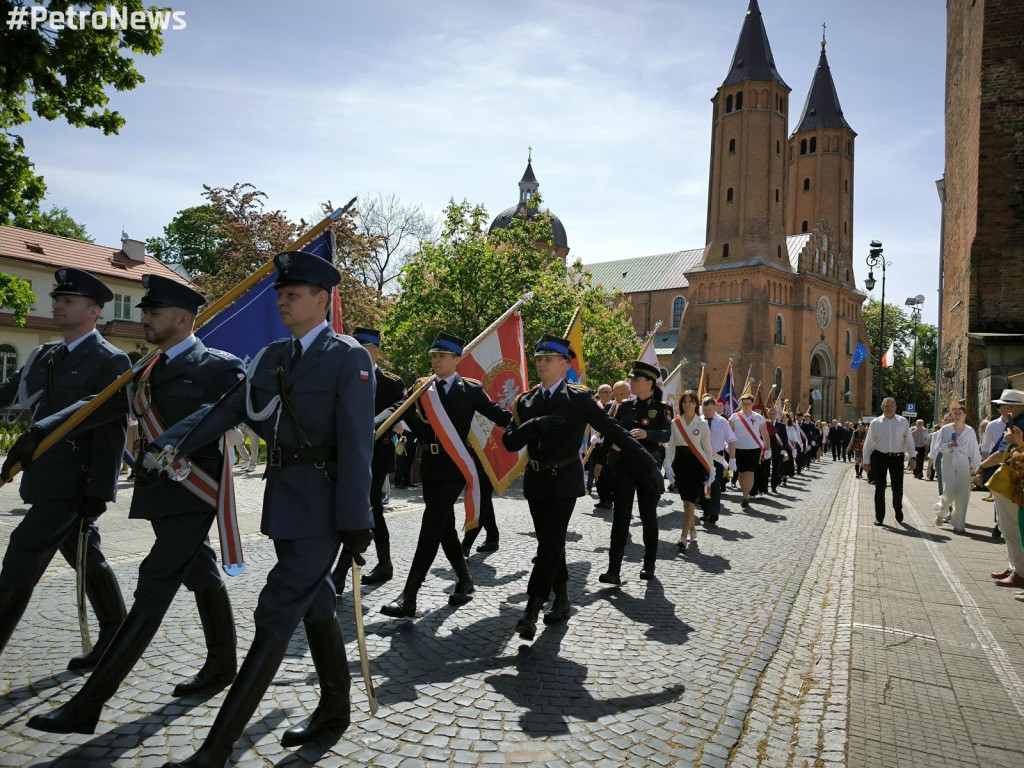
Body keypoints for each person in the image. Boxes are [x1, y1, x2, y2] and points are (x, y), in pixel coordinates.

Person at [139, 250, 375, 767]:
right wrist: (168, 444)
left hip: (324, 508)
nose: (283, 301)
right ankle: (335, 709)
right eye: (280, 294)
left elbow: (359, 444)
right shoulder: (272, 357)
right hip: (285, 502)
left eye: (292, 295)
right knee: (315, 603)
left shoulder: (348, 356)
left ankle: (216, 748)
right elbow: (226, 408)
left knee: (274, 614)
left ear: (322, 299)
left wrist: (359, 519)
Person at [25, 275, 247, 734]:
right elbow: (100, 405)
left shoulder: (219, 368)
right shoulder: (145, 370)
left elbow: (225, 416)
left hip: (195, 496)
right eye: (144, 311)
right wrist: (41, 430)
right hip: (157, 498)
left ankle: (88, 705)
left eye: (153, 312)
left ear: (183, 319)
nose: (143, 318)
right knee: (200, 573)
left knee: (152, 588)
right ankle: (224, 663)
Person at [0, 268, 129, 669]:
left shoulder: (111, 360)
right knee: (84, 556)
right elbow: (11, 396)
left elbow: (112, 427)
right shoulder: (45, 355)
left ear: (93, 312)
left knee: (22, 555)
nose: (58, 305)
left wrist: (100, 491)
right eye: (57, 299)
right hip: (43, 476)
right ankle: (116, 635)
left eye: (68, 300)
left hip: (75, 482)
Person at [500, 335, 659, 639]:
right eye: (538, 359)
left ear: (564, 365)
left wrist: (647, 463)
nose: (542, 364)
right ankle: (562, 599)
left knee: (548, 545)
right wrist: (533, 426)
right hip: (536, 481)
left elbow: (612, 430)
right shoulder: (526, 400)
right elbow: (510, 442)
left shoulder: (579, 399)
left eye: (549, 360)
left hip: (564, 480)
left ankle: (531, 609)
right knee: (551, 544)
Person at [380, 332, 512, 618]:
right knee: (444, 528)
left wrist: (530, 424)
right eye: (433, 356)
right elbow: (399, 410)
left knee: (431, 525)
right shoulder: (422, 388)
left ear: (456, 359)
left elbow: (499, 415)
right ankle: (465, 581)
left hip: (455, 466)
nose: (435, 360)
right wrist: (376, 423)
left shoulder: (471, 390)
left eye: (441, 356)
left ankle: (409, 596)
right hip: (429, 464)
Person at [330, 327, 405, 589]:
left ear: (374, 351)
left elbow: (401, 416)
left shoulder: (391, 383)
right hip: (349, 456)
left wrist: (380, 427)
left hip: (377, 456)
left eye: (363, 349)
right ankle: (380, 563)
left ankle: (341, 572)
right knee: (363, 509)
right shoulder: (344, 376)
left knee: (368, 505)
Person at [599, 361, 669, 584]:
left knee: (648, 516)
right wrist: (614, 444)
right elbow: (612, 431)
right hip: (624, 468)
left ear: (649, 383)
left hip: (648, 468)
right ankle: (613, 570)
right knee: (621, 518)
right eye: (631, 379)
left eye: (635, 380)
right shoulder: (624, 406)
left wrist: (647, 435)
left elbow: (666, 435)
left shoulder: (662, 408)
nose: (631, 382)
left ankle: (649, 564)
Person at [975, 389, 1024, 588]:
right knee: (1008, 528)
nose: (1000, 409)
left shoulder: (1016, 427)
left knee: (1011, 528)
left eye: (1003, 405)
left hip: (1011, 484)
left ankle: (1019, 571)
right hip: (1012, 483)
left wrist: (980, 466)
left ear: (1010, 408)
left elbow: (1001, 455)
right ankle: (1014, 567)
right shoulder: (1016, 424)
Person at [666, 390, 716, 550]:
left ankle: (683, 537)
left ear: (696, 404)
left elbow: (707, 448)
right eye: (684, 401)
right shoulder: (675, 422)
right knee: (685, 500)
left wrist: (712, 469)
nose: (687, 404)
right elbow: (671, 445)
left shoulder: (702, 424)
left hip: (696, 463)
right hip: (680, 462)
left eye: (691, 401)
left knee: (689, 501)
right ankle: (692, 529)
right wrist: (667, 464)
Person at [863, 397, 917, 526]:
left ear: (895, 407)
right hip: (879, 457)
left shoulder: (902, 422)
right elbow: (869, 443)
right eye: (886, 406)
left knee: (897, 487)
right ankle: (879, 517)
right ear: (882, 407)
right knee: (879, 488)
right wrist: (866, 461)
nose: (888, 408)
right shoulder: (875, 423)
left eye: (891, 406)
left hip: (897, 458)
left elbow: (909, 440)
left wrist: (913, 457)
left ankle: (898, 509)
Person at [933, 403, 982, 533]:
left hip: (963, 462)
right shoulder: (946, 429)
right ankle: (941, 512)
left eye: (960, 413)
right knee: (948, 491)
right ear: (952, 414)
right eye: (955, 413)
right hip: (948, 460)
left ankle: (959, 524)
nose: (958, 415)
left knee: (963, 493)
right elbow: (938, 446)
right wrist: (948, 445)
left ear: (964, 415)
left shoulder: (970, 431)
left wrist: (979, 469)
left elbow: (974, 450)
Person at [698, 395, 735, 526]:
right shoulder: (697, 421)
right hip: (700, 457)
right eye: (704, 409)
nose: (707, 412)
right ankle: (706, 511)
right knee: (702, 485)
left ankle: (714, 512)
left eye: (709, 410)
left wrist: (732, 459)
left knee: (714, 485)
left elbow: (731, 440)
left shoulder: (722, 422)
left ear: (714, 408)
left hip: (717, 458)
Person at [593, 380, 631, 510]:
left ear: (629, 393)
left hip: (626, 455)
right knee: (606, 476)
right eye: (616, 394)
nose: (619, 398)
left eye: (623, 394)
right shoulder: (610, 407)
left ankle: (612, 499)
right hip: (608, 450)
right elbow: (608, 431)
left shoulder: (633, 409)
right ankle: (605, 498)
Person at [728, 393, 771, 508]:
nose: (746, 405)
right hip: (738, 449)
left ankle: (745, 496)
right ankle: (744, 492)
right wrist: (727, 446)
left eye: (748, 403)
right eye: (744, 403)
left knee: (750, 472)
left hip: (754, 449)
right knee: (741, 473)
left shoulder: (758, 417)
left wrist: (768, 448)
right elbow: (728, 433)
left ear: (752, 404)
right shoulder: (734, 417)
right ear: (741, 404)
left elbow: (765, 434)